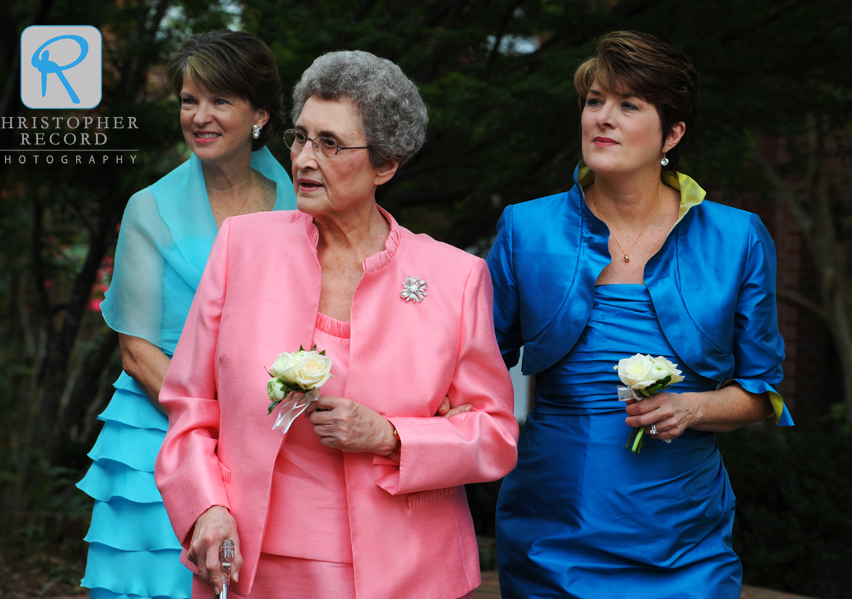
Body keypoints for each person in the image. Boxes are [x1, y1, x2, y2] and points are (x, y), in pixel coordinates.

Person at [154, 50, 519, 599]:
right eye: (300, 137)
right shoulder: (242, 247)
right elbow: (190, 406)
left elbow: (493, 435)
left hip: (407, 569)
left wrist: (392, 436)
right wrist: (204, 508)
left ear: (386, 164)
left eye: (330, 143)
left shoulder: (455, 277)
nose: (304, 158)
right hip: (251, 561)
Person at [488, 31, 794, 599]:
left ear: (672, 133)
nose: (603, 118)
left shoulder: (738, 237)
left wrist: (691, 406)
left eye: (629, 105)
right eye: (594, 101)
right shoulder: (524, 228)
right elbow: (476, 366)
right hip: (553, 525)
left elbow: (761, 391)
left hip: (683, 535)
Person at [76, 30, 295, 599]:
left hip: (272, 428)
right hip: (161, 424)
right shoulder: (148, 207)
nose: (200, 116)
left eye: (219, 101)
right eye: (188, 101)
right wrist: (213, 421)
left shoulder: (300, 200)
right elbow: (136, 349)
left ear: (259, 115)